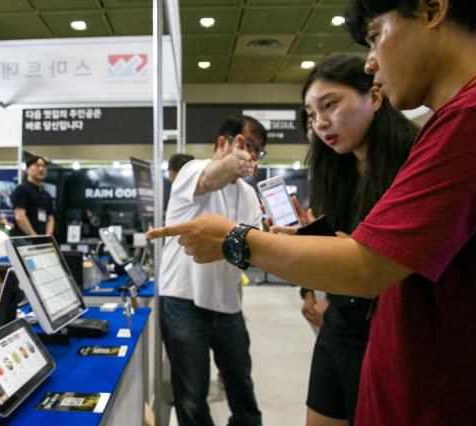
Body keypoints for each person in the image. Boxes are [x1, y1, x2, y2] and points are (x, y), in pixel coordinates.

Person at [147, 0, 476, 424]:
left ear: (432, 9)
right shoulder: (442, 126)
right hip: (383, 357)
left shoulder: (462, 124)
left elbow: (368, 267)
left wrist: (235, 239)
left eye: (376, 37)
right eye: (311, 113)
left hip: (429, 382)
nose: (372, 63)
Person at [286, 54, 417, 426]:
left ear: (374, 97)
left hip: (395, 337)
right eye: (312, 114)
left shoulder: (414, 160)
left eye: (330, 105)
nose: (321, 122)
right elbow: (337, 245)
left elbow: (382, 261)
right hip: (339, 327)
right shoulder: (333, 168)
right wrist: (310, 287)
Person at [160, 115, 266, 426]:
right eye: (247, 145)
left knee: (241, 385)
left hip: (228, 306)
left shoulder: (247, 194)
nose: (252, 155)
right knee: (192, 395)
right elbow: (209, 178)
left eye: (258, 150)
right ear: (223, 143)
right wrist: (230, 164)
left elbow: (253, 250)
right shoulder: (193, 171)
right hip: (183, 300)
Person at [10, 156, 55, 237]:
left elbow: (50, 218)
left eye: (44, 166)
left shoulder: (46, 194)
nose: (41, 169)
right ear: (28, 169)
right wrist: (34, 237)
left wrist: (48, 237)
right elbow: (20, 217)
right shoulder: (22, 189)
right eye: (37, 165)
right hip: (24, 241)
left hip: (40, 241)